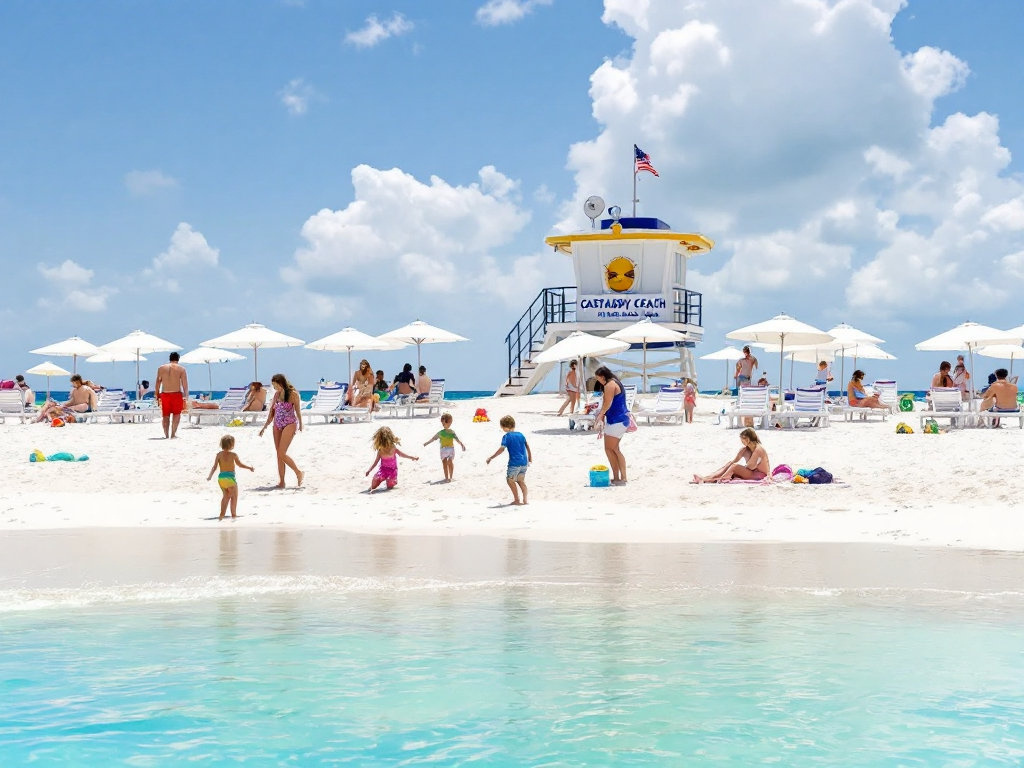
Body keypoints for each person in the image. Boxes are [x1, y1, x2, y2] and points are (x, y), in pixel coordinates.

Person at [259, 373, 304, 489]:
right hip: (277, 425)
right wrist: (264, 427)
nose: (275, 388)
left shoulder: (293, 394)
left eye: (275, 385)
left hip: (290, 423)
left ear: (281, 383)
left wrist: (301, 424)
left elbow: (298, 411)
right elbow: (271, 413)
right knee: (279, 455)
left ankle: (298, 472)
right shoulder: (276, 395)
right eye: (273, 386)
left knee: (281, 453)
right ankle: (282, 481)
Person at [692, 428, 770, 484]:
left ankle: (711, 480)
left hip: (759, 475)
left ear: (748, 439)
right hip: (752, 472)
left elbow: (750, 467)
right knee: (731, 464)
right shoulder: (746, 449)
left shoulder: (758, 450)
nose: (741, 442)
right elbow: (734, 461)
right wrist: (740, 453)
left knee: (734, 467)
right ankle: (708, 477)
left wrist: (737, 467)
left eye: (742, 440)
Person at [594, 366, 630, 486]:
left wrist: (600, 415)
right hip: (619, 419)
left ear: (602, 376)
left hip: (617, 420)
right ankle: (619, 477)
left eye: (598, 378)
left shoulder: (609, 385)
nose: (597, 380)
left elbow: (607, 402)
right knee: (613, 448)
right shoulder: (615, 382)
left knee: (611, 449)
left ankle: (620, 477)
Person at [486, 415, 532, 505]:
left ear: (505, 427)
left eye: (502, 427)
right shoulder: (521, 434)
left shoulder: (506, 437)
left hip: (514, 462)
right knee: (521, 480)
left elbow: (502, 449)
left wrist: (491, 457)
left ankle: (516, 499)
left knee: (510, 480)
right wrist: (530, 457)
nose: (502, 429)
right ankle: (525, 500)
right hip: (524, 462)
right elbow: (527, 445)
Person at [206, 434, 254, 520]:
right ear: (232, 445)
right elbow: (239, 465)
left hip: (221, 478)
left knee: (226, 495)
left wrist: (210, 476)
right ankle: (233, 515)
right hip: (230, 478)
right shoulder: (233, 455)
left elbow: (214, 467)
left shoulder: (218, 455)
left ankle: (222, 514)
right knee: (234, 496)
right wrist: (249, 468)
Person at [366, 426, 418, 492]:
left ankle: (388, 482)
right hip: (383, 469)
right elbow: (376, 461)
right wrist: (369, 470)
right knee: (375, 479)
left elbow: (401, 454)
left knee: (390, 486)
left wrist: (412, 457)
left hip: (393, 470)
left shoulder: (393, 447)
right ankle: (372, 487)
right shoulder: (380, 450)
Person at [423, 412, 466, 482]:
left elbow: (457, 440)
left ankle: (451, 476)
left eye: (447, 423)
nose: (444, 425)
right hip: (443, 450)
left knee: (450, 462)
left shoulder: (452, 432)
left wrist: (462, 444)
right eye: (443, 423)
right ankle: (446, 477)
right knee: (444, 463)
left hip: (450, 449)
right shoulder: (441, 432)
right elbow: (434, 438)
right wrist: (427, 443)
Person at [155, 352, 189, 439]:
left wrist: (156, 394)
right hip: (176, 394)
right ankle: (173, 434)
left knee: (165, 415)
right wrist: (186, 395)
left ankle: (166, 435)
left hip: (165, 394)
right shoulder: (181, 369)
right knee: (176, 414)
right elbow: (184, 384)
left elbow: (158, 383)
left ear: (169, 358)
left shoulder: (161, 368)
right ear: (178, 359)